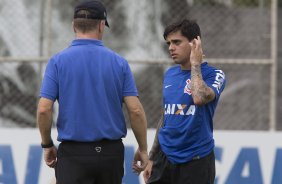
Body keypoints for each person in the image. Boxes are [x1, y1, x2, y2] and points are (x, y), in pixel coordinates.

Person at [36, 1, 148, 183]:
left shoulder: (57, 62)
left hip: (73, 155)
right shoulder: (119, 63)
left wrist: (47, 144)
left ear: (74, 25)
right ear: (102, 25)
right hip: (110, 154)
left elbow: (43, 109)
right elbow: (135, 111)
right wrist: (143, 149)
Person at [143, 19, 226, 184]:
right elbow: (167, 116)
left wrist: (196, 64)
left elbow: (199, 97)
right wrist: (152, 157)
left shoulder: (215, 74)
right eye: (168, 43)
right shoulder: (170, 74)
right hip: (164, 157)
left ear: (195, 42)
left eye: (176, 42)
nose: (170, 48)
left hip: (196, 159)